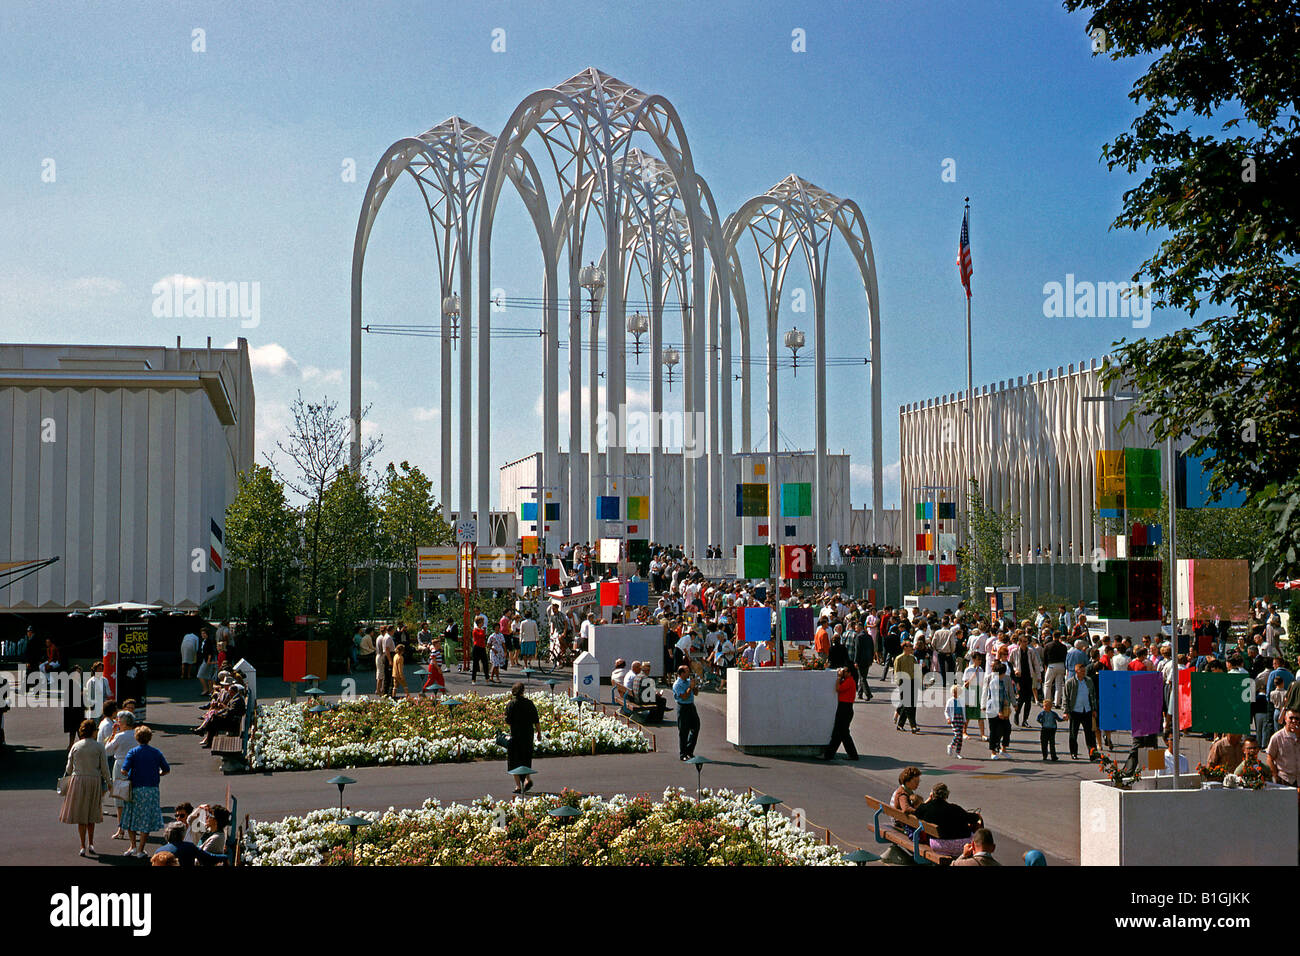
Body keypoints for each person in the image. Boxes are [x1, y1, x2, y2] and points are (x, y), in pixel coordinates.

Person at [60, 718, 111, 857]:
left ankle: (82, 845)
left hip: (78, 781)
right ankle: (91, 843)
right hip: (94, 780)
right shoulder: (99, 747)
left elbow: (69, 769)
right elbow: (105, 768)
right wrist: (109, 783)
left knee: (81, 814)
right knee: (91, 814)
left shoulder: (76, 746)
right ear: (93, 732)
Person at [120, 726, 169, 858]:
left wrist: (129, 773)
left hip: (135, 788)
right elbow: (166, 769)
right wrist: (159, 773)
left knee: (131, 816)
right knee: (145, 818)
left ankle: (132, 846)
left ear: (137, 738)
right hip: (152, 789)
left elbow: (124, 770)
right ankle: (141, 849)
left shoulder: (133, 752)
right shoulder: (156, 752)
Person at [914, 783, 983, 857]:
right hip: (958, 846)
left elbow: (917, 811)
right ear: (946, 795)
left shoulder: (925, 808)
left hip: (936, 845)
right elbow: (973, 818)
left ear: (933, 794)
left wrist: (929, 798)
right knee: (977, 826)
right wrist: (978, 815)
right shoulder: (954, 809)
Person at [104, 710, 137, 841]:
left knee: (120, 799)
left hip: (120, 765)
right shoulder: (136, 734)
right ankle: (133, 826)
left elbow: (107, 750)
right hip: (135, 766)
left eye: (118, 720)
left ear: (123, 722)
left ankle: (121, 828)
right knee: (132, 797)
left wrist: (113, 734)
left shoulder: (119, 736)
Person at [504, 683, 541, 793]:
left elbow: (508, 722)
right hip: (528, 734)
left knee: (514, 760)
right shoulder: (529, 703)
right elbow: (536, 720)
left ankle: (518, 786)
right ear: (523, 691)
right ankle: (527, 779)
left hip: (515, 735)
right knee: (526, 758)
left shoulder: (510, 704)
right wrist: (539, 733)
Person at [823, 666, 859, 761]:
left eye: (845, 671)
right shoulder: (848, 680)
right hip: (844, 708)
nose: (843, 672)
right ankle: (830, 754)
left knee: (841, 733)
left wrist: (839, 678)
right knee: (840, 733)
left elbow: (838, 688)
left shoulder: (850, 681)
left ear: (850, 673)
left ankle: (830, 755)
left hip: (845, 708)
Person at [1064, 662, 1098, 760]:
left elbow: (1093, 696)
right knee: (1073, 734)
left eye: (1084, 671)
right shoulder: (1070, 683)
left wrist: (1094, 709)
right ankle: (1074, 753)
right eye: (1081, 671)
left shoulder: (1089, 681)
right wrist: (1066, 711)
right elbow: (1066, 698)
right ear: (1076, 671)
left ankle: (1092, 754)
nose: (1083, 673)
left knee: (1090, 735)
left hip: (1087, 710)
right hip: (1075, 711)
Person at [156, 821, 224, 867]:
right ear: (182, 835)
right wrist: (225, 857)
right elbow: (209, 858)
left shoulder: (158, 851)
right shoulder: (189, 847)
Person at [983, 661, 1013, 759]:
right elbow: (995, 698)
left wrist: (1007, 705)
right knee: (994, 731)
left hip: (1002, 709)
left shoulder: (1001, 681)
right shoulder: (994, 682)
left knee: (1007, 728)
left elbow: (1004, 695)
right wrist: (999, 711)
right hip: (993, 710)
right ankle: (993, 752)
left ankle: (1003, 749)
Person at [1265, 708, 1299, 787]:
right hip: (1285, 780)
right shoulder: (1277, 737)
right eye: (1291, 718)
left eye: (1297, 718)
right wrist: (1275, 776)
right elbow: (1269, 758)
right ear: (1285, 719)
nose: (1294, 721)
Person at [673, 665, 701, 760]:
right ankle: (683, 754)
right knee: (684, 731)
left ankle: (689, 750)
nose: (689, 673)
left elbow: (696, 693)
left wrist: (695, 686)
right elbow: (684, 696)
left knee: (696, 727)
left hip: (691, 706)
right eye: (687, 671)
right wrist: (690, 687)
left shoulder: (689, 681)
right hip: (683, 707)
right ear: (681, 673)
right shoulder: (677, 684)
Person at [894, 640, 920, 733]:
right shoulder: (899, 658)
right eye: (909, 646)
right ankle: (913, 726)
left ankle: (900, 724)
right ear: (905, 647)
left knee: (912, 705)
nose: (911, 647)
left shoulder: (913, 658)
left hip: (913, 681)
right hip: (904, 682)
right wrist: (899, 683)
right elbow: (896, 672)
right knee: (908, 704)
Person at [63, 665, 86, 748]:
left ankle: (79, 744)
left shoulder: (79, 682)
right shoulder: (70, 682)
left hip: (79, 708)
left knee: (79, 727)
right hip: (72, 708)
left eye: (79, 672)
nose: (78, 674)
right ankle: (71, 744)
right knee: (73, 728)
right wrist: (81, 694)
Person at [945, 683, 966, 756]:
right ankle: (951, 745)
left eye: (956, 692)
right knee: (957, 735)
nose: (954, 694)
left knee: (960, 738)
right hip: (954, 719)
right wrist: (948, 718)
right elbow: (946, 711)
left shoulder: (961, 700)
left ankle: (958, 752)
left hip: (960, 718)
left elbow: (963, 711)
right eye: (954, 692)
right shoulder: (950, 701)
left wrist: (964, 720)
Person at [470, 618, 490, 685]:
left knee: (485, 663)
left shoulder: (482, 630)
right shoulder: (475, 630)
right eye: (482, 622)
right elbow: (479, 636)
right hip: (477, 648)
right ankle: (473, 679)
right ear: (479, 623)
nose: (483, 623)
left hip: (482, 647)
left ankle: (487, 678)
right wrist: (483, 631)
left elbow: (484, 637)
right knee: (475, 664)